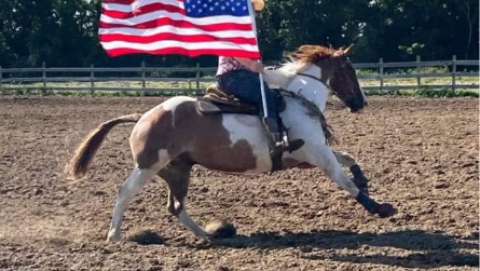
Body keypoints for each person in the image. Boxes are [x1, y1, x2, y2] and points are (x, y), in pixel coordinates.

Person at [216, 0, 303, 170]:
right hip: (233, 76)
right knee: (266, 96)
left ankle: (279, 134)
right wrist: (257, 67)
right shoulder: (233, 29)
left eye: (254, 11)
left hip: (240, 75)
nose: (254, 14)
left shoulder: (244, 31)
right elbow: (241, 58)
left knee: (274, 94)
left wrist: (259, 68)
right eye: (252, 10)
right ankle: (276, 138)